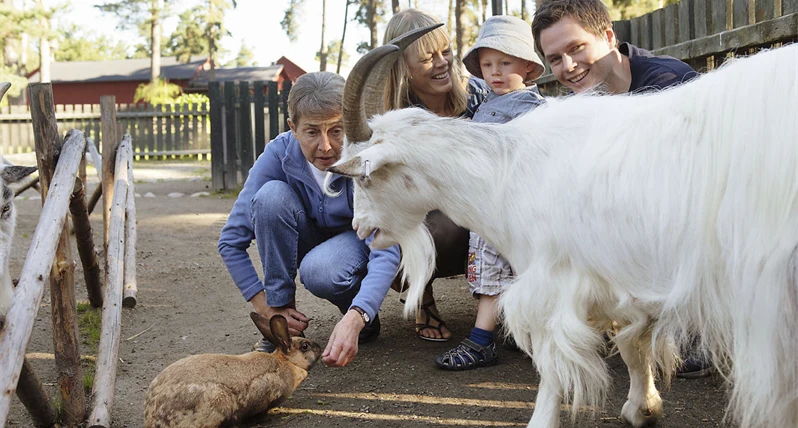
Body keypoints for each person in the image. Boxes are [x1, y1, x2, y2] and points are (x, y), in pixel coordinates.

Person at [533, 0, 707, 378]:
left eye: (576, 48)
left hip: (694, 218)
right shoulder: (574, 112)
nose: (568, 67)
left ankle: (692, 327)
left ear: (608, 37)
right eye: (556, 59)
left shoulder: (668, 86)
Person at [217, 71, 401, 368]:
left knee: (321, 270)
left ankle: (361, 319)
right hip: (305, 237)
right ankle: (281, 322)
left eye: (337, 130)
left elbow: (387, 248)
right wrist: (265, 307)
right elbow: (230, 242)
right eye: (312, 132)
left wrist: (358, 316)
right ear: (293, 128)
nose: (326, 146)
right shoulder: (279, 154)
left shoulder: (366, 156)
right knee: (269, 198)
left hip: (353, 244)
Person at [428, 15, 547, 371]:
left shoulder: (532, 109)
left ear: (527, 67)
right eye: (487, 64)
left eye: (505, 63)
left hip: (517, 205)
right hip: (491, 203)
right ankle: (520, 328)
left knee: (494, 256)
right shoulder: (485, 104)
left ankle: (482, 340)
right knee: (501, 262)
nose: (494, 72)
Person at [382, 8, 489, 343]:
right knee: (434, 226)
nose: (442, 62)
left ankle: (499, 301)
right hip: (431, 221)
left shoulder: (478, 95)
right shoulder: (394, 120)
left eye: (445, 51)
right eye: (428, 58)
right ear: (403, 69)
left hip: (482, 205)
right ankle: (421, 295)